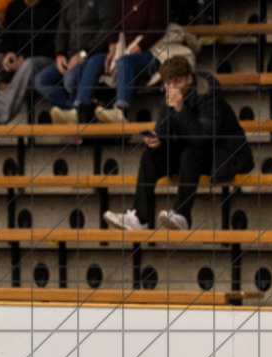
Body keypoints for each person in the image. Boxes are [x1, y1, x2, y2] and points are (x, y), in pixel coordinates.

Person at [103, 56, 254, 231]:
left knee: (190, 154)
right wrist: (156, 138)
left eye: (178, 82)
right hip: (190, 149)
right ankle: (139, 217)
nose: (173, 87)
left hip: (223, 154)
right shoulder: (169, 97)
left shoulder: (207, 92)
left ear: (189, 78)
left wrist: (181, 109)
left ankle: (182, 215)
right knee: (150, 157)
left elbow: (205, 138)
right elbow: (164, 128)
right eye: (169, 83)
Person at [0, 0, 60, 125]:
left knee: (29, 64)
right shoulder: (14, 6)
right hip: (19, 58)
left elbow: (53, 45)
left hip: (42, 59)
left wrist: (24, 58)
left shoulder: (53, 8)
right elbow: (8, 37)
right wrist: (9, 53)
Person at [34, 0, 113, 124]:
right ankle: (76, 112)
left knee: (70, 78)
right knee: (41, 80)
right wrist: (60, 55)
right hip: (70, 56)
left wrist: (84, 53)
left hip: (93, 53)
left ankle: (78, 112)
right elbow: (61, 32)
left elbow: (107, 29)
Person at [94, 0, 169, 124]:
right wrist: (112, 49)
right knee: (95, 62)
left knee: (124, 61)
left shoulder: (158, 3)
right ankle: (79, 109)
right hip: (125, 49)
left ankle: (121, 111)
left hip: (154, 52)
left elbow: (158, 29)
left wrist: (138, 47)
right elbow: (115, 25)